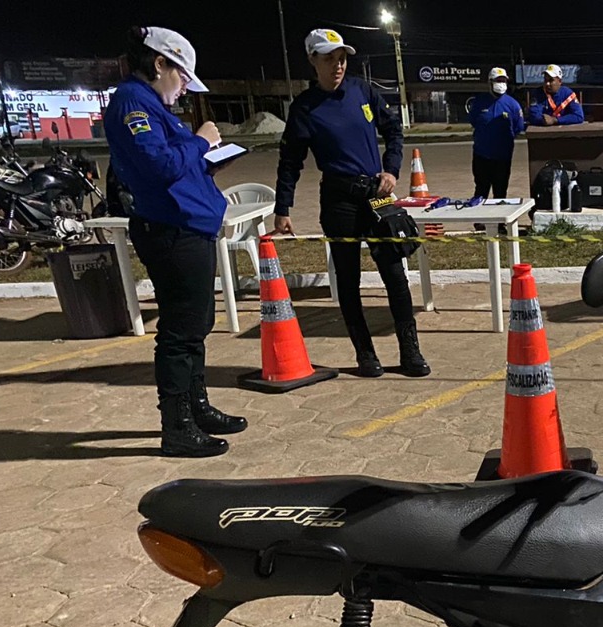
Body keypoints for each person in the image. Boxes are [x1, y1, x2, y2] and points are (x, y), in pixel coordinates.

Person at [104, 26, 245, 458]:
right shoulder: (133, 102)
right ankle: (178, 425)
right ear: (159, 63)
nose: (184, 88)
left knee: (196, 326)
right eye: (182, 77)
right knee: (180, 334)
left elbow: (173, 162)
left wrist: (203, 160)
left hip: (189, 228)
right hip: (171, 232)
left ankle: (196, 407)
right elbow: (158, 164)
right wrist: (201, 142)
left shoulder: (150, 104)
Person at [273, 29, 428, 379]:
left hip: (376, 195)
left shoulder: (362, 90)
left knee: (394, 274)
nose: (338, 65)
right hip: (339, 200)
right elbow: (290, 162)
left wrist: (391, 168)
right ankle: (365, 353)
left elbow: (393, 131)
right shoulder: (304, 109)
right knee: (348, 280)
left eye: (342, 58)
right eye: (329, 58)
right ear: (313, 60)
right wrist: (283, 208)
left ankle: (410, 350)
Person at [469, 67, 525, 198]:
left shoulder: (513, 105)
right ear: (489, 82)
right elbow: (473, 121)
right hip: (481, 156)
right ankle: (480, 219)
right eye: (497, 80)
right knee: (480, 191)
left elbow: (518, 127)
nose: (500, 83)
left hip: (502, 158)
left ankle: (499, 219)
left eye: (503, 80)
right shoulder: (479, 102)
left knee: (500, 193)